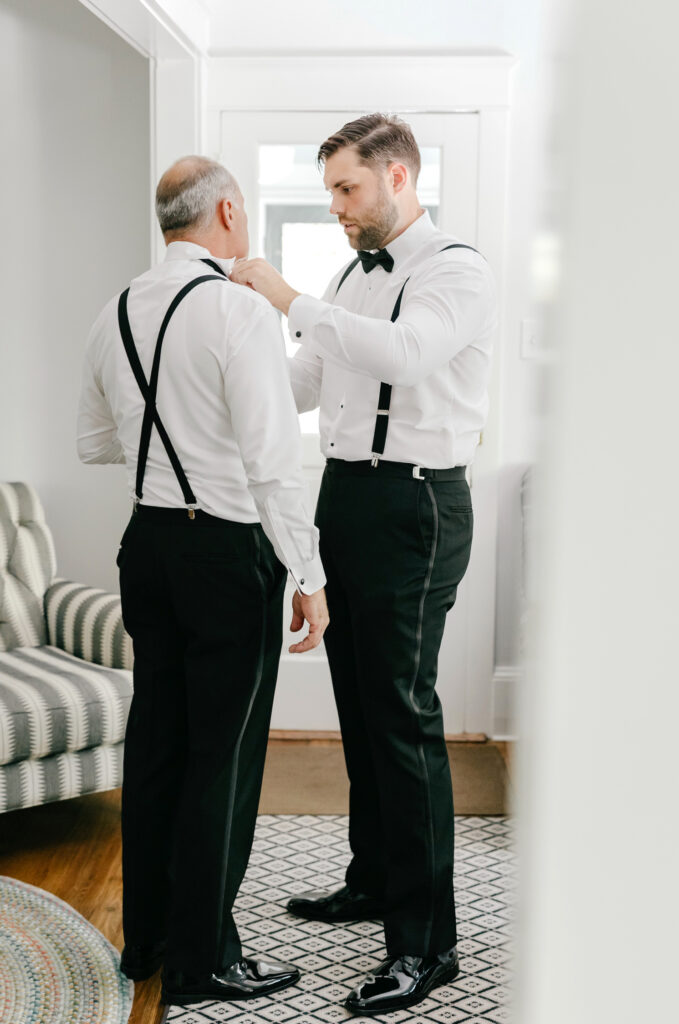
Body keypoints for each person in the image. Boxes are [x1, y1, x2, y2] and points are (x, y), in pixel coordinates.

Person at [229, 113, 497, 1016]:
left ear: (397, 176)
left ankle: (427, 946)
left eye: (346, 188)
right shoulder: (350, 276)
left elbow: (405, 355)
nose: (337, 207)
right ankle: (374, 878)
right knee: (359, 702)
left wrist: (287, 298)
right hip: (343, 495)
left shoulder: (456, 269)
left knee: (400, 717)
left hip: (415, 506)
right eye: (330, 192)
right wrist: (231, 369)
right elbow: (306, 382)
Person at [77, 156, 329, 1007]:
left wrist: (168, 443)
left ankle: (146, 940)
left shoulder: (115, 310)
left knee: (156, 744)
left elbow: (94, 443)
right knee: (221, 758)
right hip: (223, 554)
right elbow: (272, 465)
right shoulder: (236, 310)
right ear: (227, 212)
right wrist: (308, 574)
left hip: (146, 546)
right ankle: (203, 958)